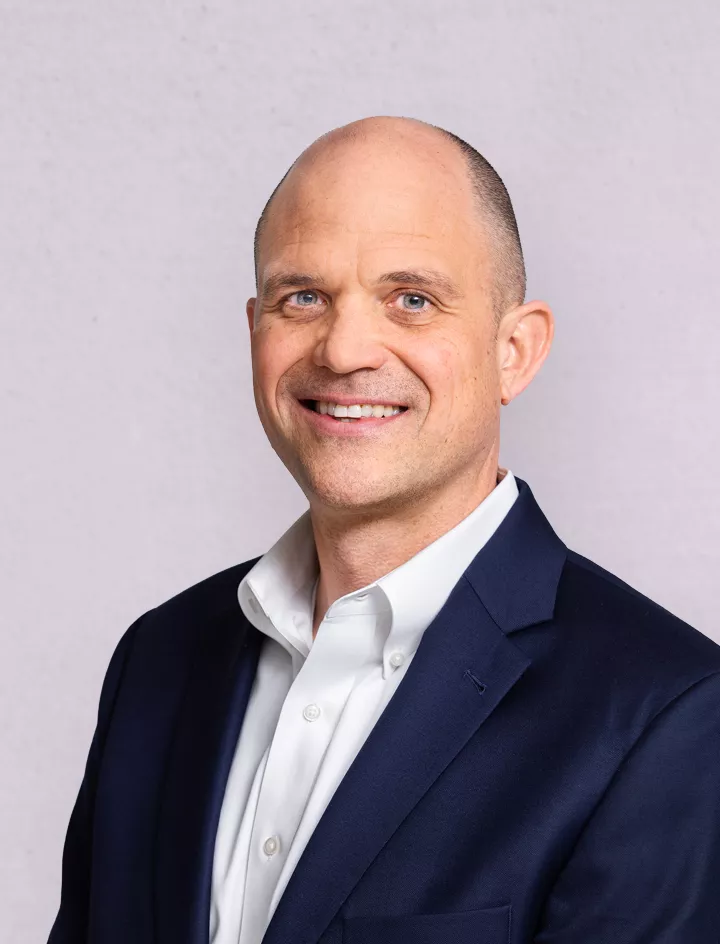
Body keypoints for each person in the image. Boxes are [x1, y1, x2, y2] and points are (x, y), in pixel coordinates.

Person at [48, 116, 720, 944]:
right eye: (303, 297)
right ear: (255, 330)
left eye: (412, 300)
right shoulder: (158, 659)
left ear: (515, 351)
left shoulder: (667, 715)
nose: (344, 350)